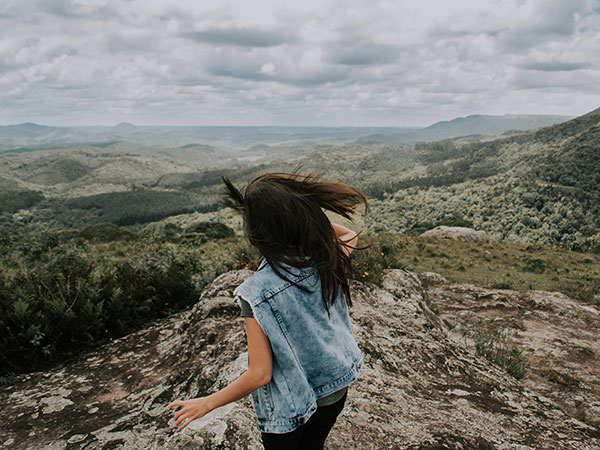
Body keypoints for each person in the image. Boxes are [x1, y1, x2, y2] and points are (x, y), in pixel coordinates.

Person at [168, 169, 369, 449]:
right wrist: (309, 222)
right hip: (335, 392)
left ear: (259, 232)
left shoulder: (255, 294)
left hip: (292, 410)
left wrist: (207, 403)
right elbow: (349, 235)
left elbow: (260, 374)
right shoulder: (322, 259)